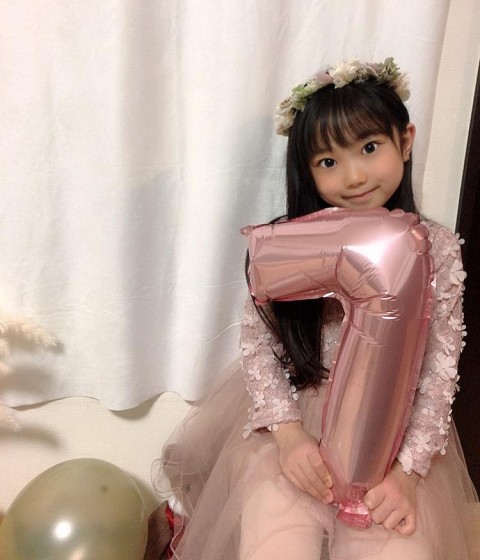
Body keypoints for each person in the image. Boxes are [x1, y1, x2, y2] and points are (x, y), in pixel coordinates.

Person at [153, 58, 479, 559]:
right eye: (328, 161)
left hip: (391, 434)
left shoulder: (436, 248)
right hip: (296, 418)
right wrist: (288, 436)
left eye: (369, 148)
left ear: (405, 141)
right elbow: (259, 342)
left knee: (392, 546)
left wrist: (408, 472)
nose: (354, 175)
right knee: (277, 538)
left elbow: (440, 369)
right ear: (306, 170)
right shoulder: (290, 243)